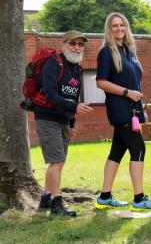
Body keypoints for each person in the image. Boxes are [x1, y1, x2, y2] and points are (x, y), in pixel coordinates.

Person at [94, 12, 151, 211]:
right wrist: (126, 92)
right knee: (139, 149)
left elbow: (134, 82)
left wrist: (140, 108)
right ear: (109, 29)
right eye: (115, 26)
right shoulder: (106, 52)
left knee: (117, 151)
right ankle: (139, 198)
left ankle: (105, 196)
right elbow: (101, 82)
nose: (119, 29)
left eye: (122, 25)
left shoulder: (129, 51)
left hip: (133, 110)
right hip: (120, 110)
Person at [36, 30, 93, 217]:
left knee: (58, 163)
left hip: (64, 120)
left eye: (80, 44)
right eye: (72, 43)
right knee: (56, 161)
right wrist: (75, 107)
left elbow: (73, 96)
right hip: (47, 117)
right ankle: (57, 203)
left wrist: (72, 123)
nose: (77, 47)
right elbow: (51, 94)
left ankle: (46, 198)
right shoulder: (53, 64)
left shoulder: (77, 68)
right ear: (64, 44)